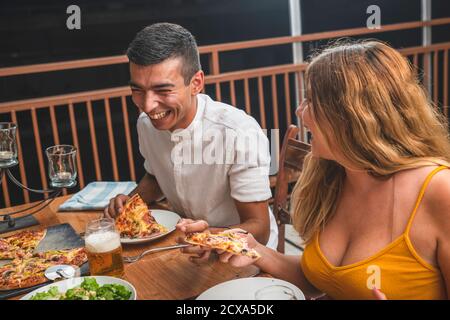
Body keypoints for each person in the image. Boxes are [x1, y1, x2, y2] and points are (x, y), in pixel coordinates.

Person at [181, 40, 450, 299]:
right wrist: (255, 249)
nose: (300, 111)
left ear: (352, 115)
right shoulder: (335, 176)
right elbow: (322, 281)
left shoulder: (440, 190)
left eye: (311, 100)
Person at [104, 23, 279, 260]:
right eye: (138, 90)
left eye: (163, 90)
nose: (147, 105)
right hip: (181, 245)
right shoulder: (146, 123)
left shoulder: (238, 132)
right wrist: (131, 202)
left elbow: (260, 227)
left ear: (196, 83)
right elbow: (155, 175)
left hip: (242, 254)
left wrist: (209, 237)